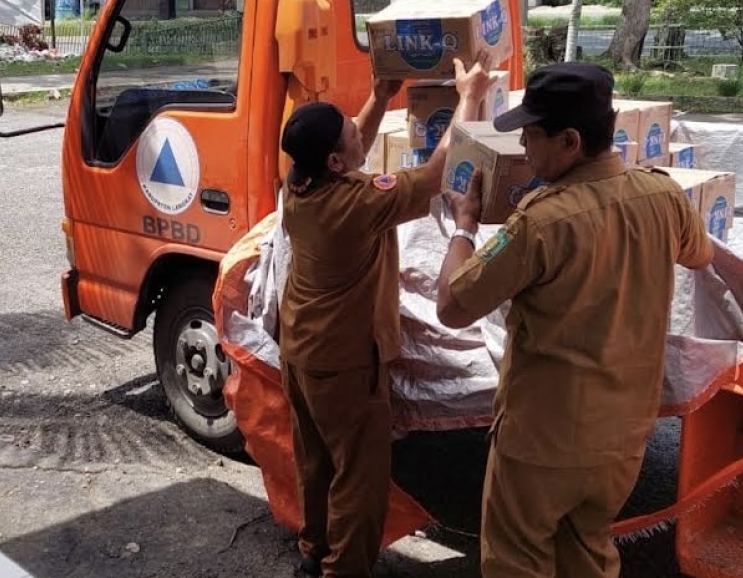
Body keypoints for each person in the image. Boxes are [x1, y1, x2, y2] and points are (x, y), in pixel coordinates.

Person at [435, 63, 722, 578]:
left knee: (517, 562)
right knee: (588, 553)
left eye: (531, 136)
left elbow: (453, 306)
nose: (523, 148)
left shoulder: (541, 222)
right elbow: (700, 255)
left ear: (569, 141)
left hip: (543, 441)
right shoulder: (663, 197)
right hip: (622, 439)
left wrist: (464, 227)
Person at [279, 56, 491, 578]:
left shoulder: (298, 185)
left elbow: (347, 151)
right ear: (335, 160)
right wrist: (469, 96)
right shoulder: (357, 204)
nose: (358, 129)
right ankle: (342, 570)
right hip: (345, 361)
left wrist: (381, 94)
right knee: (359, 475)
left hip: (300, 349)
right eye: (352, 131)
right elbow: (437, 172)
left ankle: (314, 550)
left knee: (316, 460)